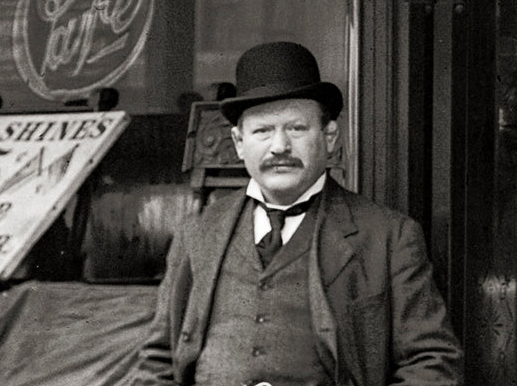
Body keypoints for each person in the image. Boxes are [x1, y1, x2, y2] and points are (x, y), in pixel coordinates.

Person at [129, 41, 463, 386]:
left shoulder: (388, 237)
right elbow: (159, 361)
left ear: (329, 136)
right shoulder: (198, 232)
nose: (279, 147)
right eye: (262, 131)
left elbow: (432, 363)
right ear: (239, 142)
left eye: (296, 128)